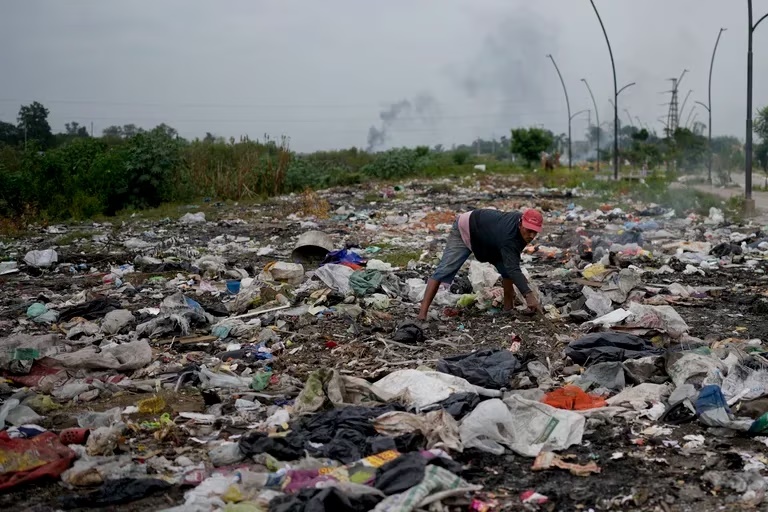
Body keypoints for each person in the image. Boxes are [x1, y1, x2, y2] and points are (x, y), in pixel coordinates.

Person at [416, 208, 543, 320]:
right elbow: (514, 268)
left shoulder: (520, 232)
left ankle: (508, 309)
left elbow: (511, 266)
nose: (531, 235)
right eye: (528, 230)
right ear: (520, 223)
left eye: (534, 232)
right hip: (466, 227)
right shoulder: (509, 236)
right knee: (445, 269)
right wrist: (529, 296)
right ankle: (422, 315)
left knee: (506, 270)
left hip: (489, 239)